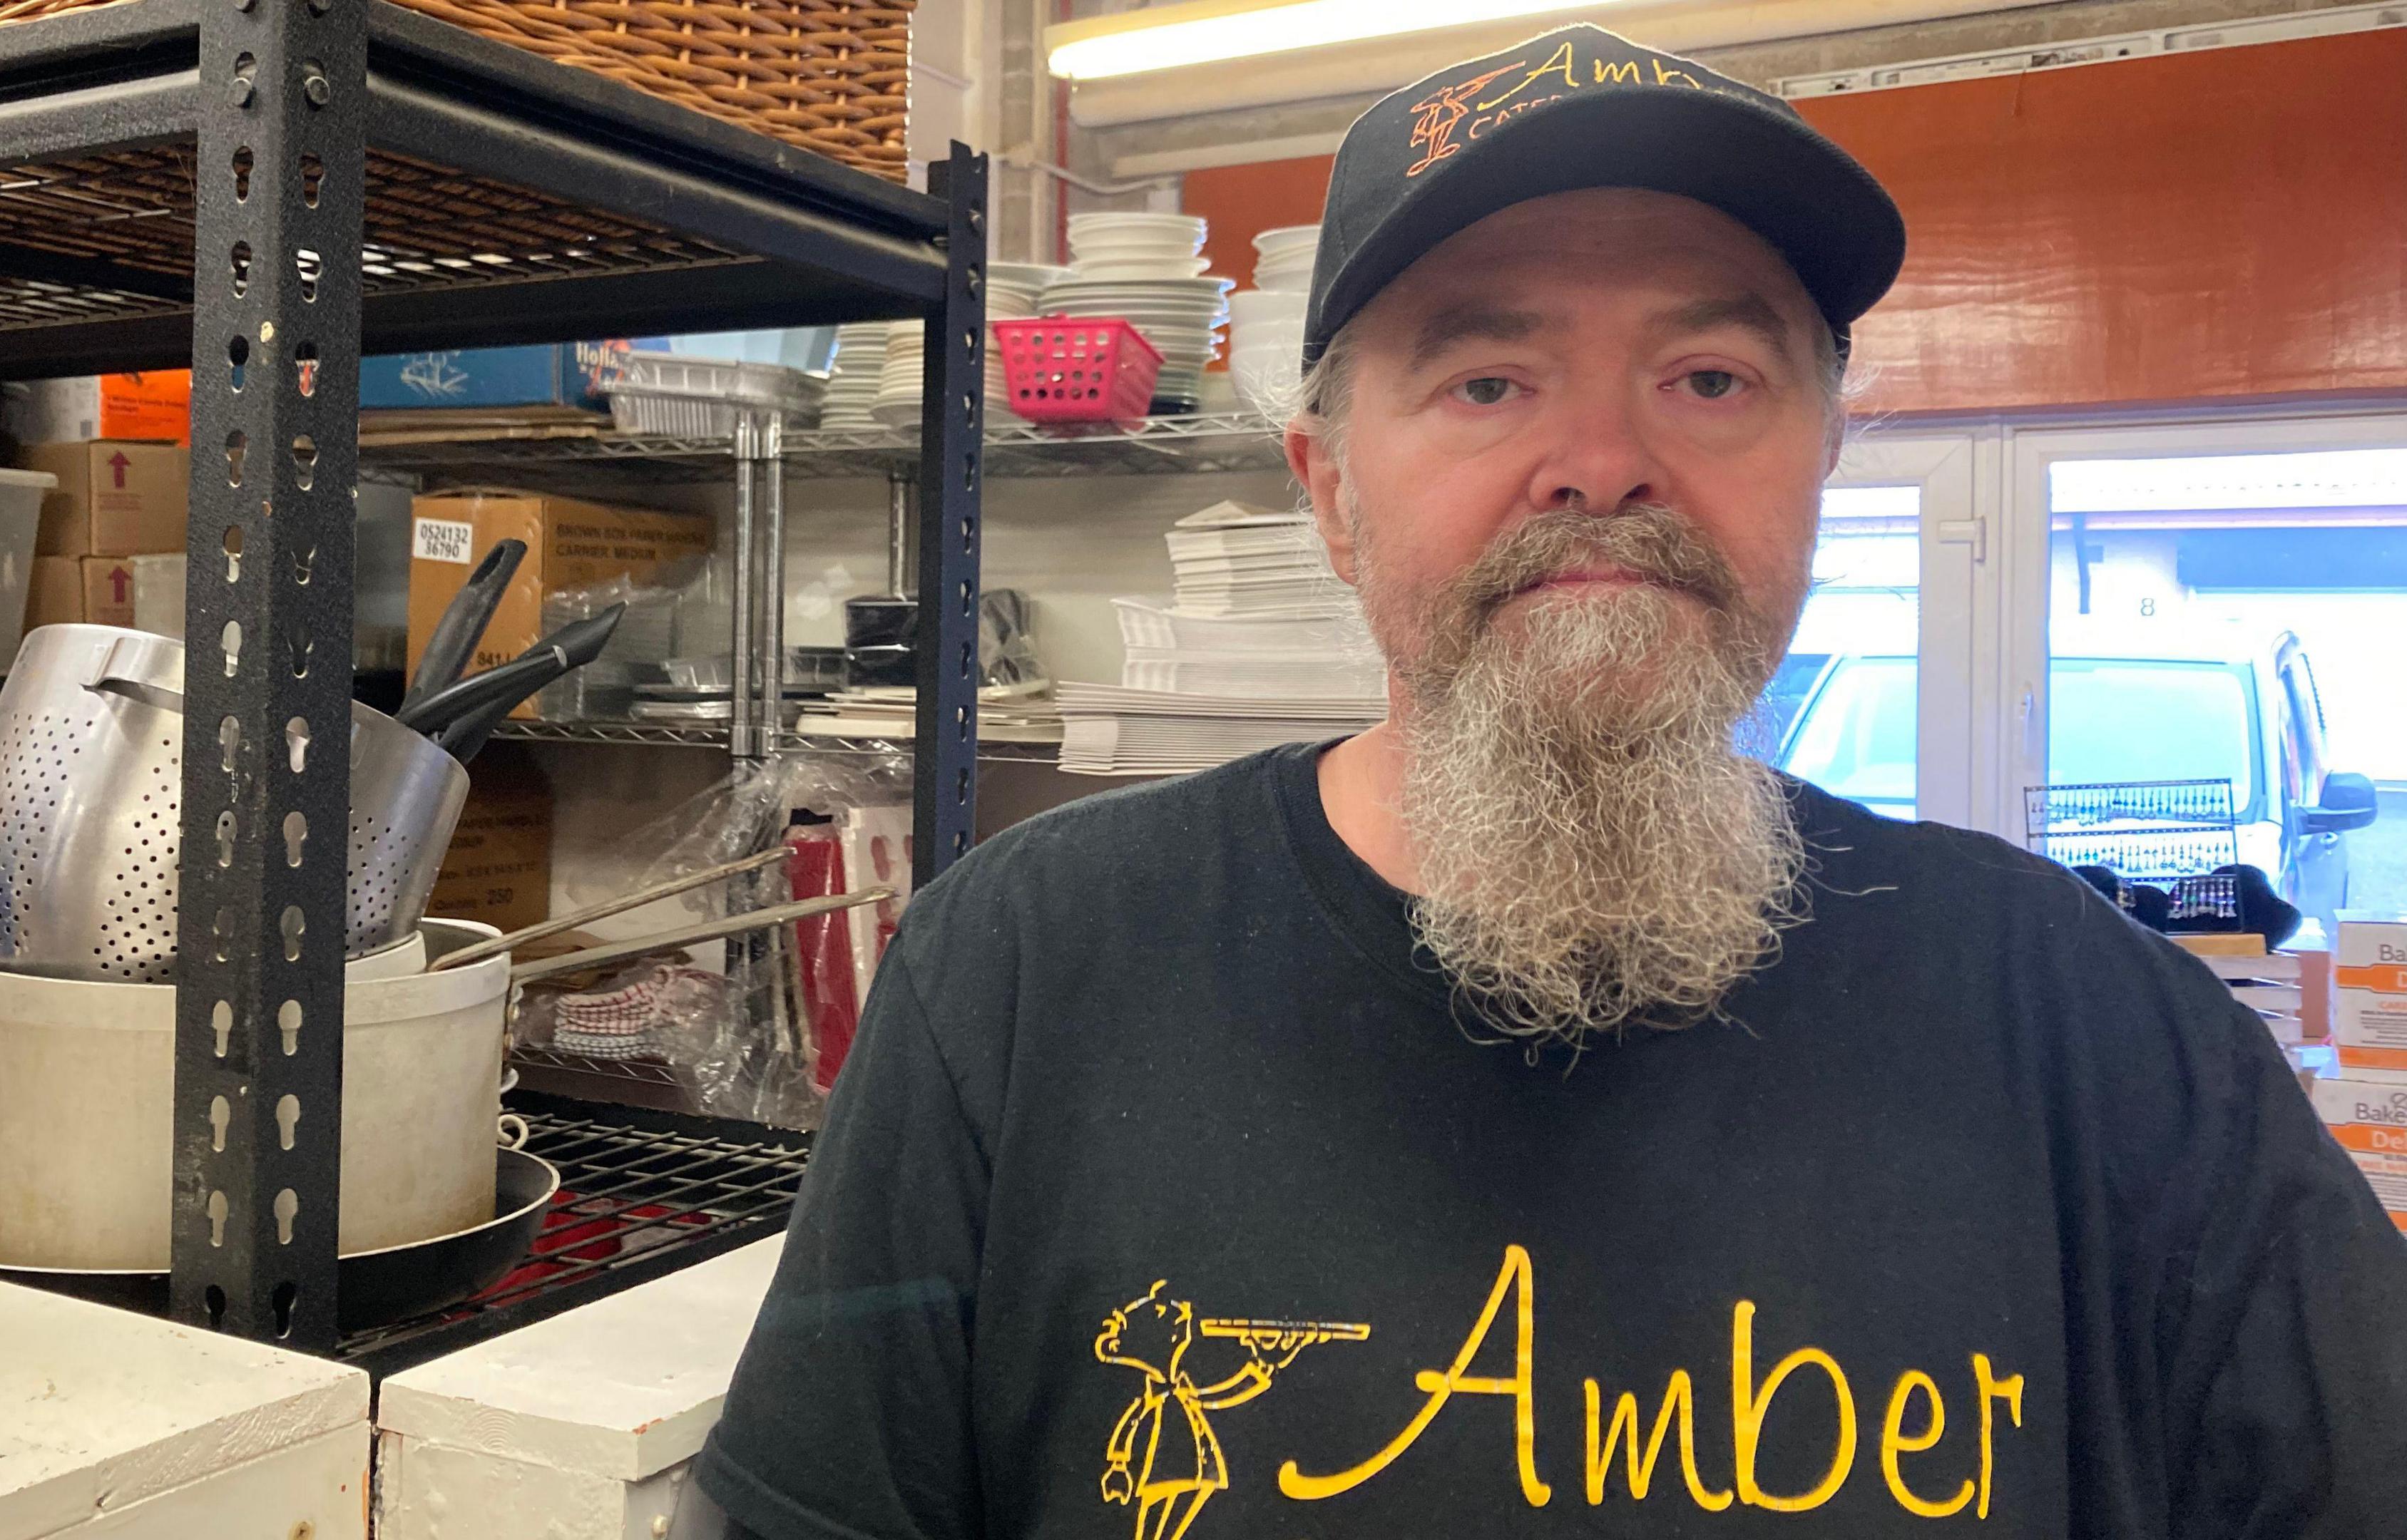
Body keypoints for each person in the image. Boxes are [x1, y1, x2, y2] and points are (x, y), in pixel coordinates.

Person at [692, 24, 2407, 1539]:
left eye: (1711, 379)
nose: (1600, 466)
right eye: (1489, 379)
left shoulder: (2101, 1032)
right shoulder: (1025, 972)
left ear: (1824, 462)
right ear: (1331, 493)